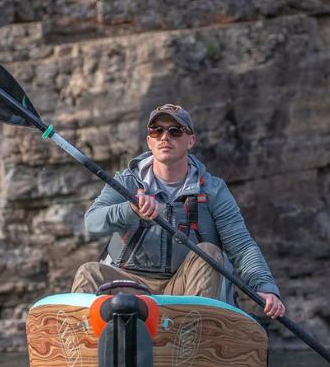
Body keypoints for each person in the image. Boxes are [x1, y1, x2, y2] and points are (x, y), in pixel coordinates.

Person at [70, 103, 286, 319]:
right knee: (89, 272)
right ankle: (81, 345)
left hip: (184, 291)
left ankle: (191, 339)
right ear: (149, 141)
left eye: (175, 131)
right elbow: (92, 223)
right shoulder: (125, 182)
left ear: (190, 140)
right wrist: (131, 210)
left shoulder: (213, 190)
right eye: (157, 131)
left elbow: (242, 246)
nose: (165, 137)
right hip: (130, 285)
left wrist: (265, 286)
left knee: (209, 253)